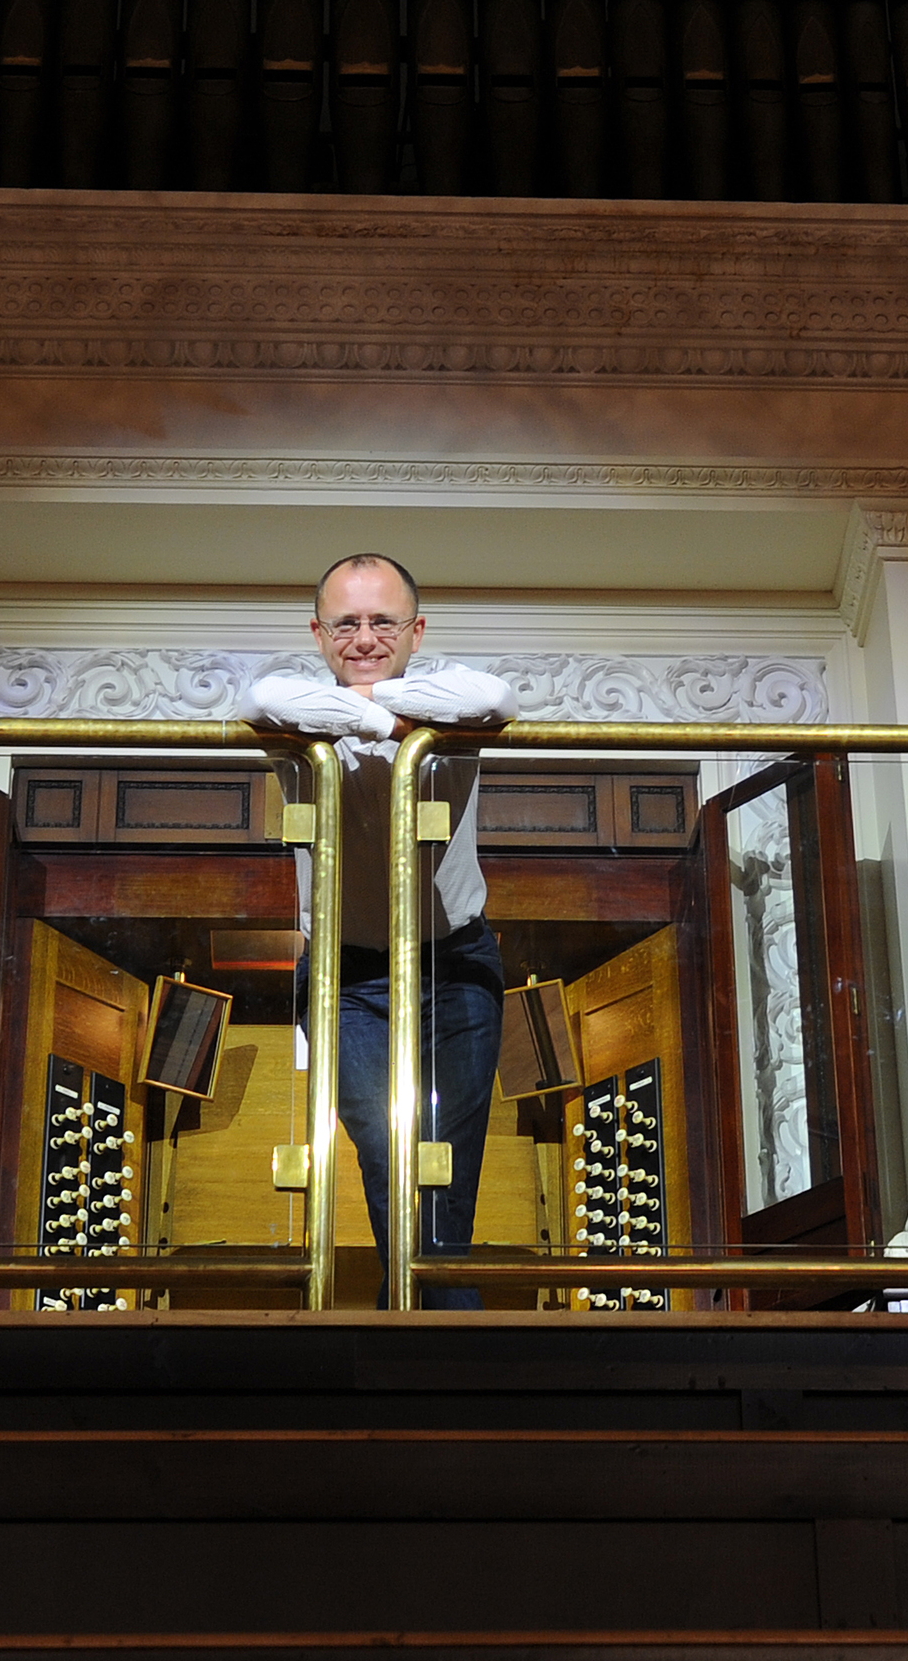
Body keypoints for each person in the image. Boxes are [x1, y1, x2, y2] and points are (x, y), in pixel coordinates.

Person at [249, 552, 517, 1308]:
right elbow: (258, 694)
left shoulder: (452, 701)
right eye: (346, 624)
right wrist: (379, 717)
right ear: (318, 631)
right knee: (381, 1148)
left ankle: (424, 1326)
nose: (364, 638)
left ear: (415, 630)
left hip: (456, 965)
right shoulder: (295, 706)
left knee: (448, 1165)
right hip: (345, 972)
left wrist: (374, 702)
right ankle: (420, 1323)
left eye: (382, 622)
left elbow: (494, 694)